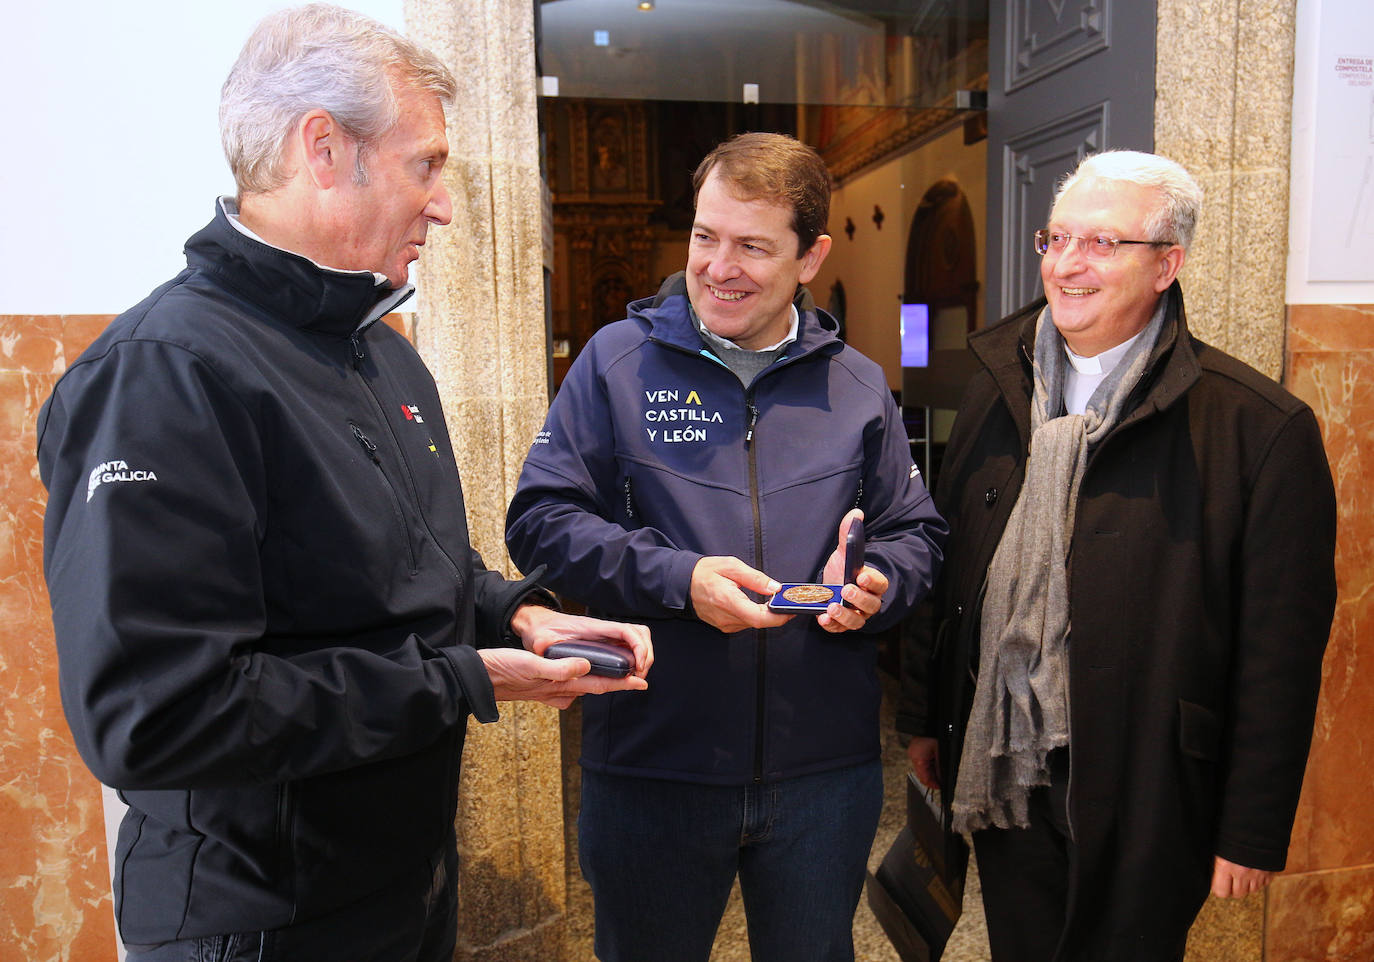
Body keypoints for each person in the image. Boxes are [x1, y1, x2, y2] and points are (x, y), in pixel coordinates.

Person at [36, 6, 651, 961]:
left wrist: (519, 616)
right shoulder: (165, 374)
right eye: (427, 164)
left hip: (402, 889)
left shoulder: (381, 353)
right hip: (258, 922)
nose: (444, 204)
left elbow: (411, 576)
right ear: (324, 149)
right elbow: (155, 716)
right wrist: (467, 677)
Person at [505, 132, 947, 962]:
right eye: (706, 236)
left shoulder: (857, 383)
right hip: (652, 765)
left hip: (824, 775)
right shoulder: (614, 363)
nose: (718, 266)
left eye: (752, 245)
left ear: (811, 256)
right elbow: (539, 519)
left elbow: (915, 530)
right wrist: (681, 578)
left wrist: (881, 578)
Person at [897, 150, 1337, 961]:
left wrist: (1250, 825)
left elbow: (1280, 652)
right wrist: (927, 718)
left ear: (1167, 264)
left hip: (1152, 789)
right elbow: (955, 563)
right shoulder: (999, 386)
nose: (1066, 266)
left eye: (1102, 244)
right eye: (1056, 238)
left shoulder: (1259, 429)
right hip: (1005, 769)